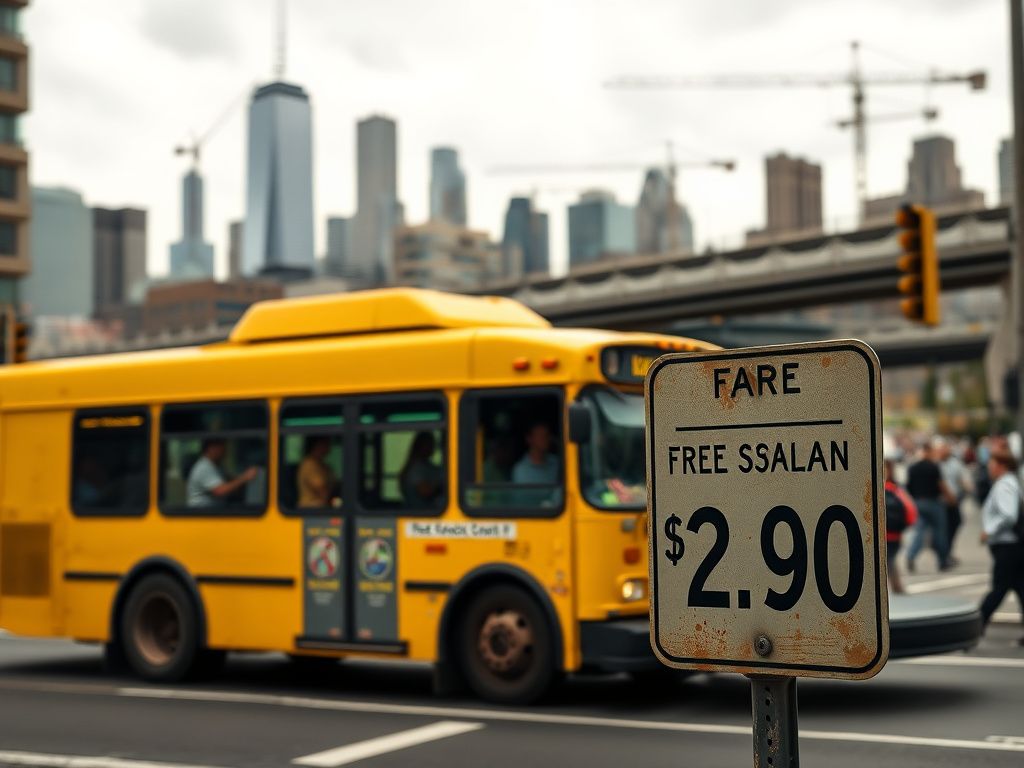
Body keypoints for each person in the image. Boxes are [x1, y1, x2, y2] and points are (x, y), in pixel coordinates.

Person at [978, 443, 1024, 644]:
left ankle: (974, 627)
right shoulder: (1010, 482)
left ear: (1001, 465)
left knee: (999, 588)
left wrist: (989, 531)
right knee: (1020, 587)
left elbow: (1008, 514)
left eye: (991, 463)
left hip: (1007, 546)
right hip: (1013, 545)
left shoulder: (1004, 485)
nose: (989, 466)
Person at [905, 442, 957, 572]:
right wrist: (951, 498)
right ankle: (942, 561)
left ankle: (911, 555)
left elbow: (908, 487)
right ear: (929, 451)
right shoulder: (934, 467)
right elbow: (941, 485)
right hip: (934, 503)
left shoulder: (913, 467)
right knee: (940, 533)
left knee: (919, 532)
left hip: (917, 503)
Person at [186, 438, 259, 508]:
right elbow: (220, 491)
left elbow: (230, 480)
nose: (225, 450)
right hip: (202, 514)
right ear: (211, 448)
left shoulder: (216, 465)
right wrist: (245, 477)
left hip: (214, 511)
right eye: (222, 447)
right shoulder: (204, 467)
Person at [884, 458, 917, 594]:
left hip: (887, 533)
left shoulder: (885, 490)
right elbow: (910, 511)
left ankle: (897, 586)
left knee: (889, 559)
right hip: (895, 533)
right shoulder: (895, 489)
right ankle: (897, 586)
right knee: (890, 559)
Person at [937, 438, 972, 566]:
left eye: (945, 449)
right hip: (940, 502)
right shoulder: (936, 464)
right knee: (942, 529)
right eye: (941, 449)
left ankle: (947, 552)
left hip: (954, 501)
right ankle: (944, 555)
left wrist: (967, 488)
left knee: (955, 524)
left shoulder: (956, 464)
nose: (943, 452)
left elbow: (964, 480)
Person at [511, 421, 561, 506]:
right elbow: (521, 502)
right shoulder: (520, 470)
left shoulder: (557, 464)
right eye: (541, 436)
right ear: (529, 439)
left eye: (547, 435)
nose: (546, 439)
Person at [399, 431, 444, 506]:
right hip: (419, 511)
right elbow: (425, 492)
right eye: (429, 444)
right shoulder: (416, 468)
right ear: (420, 446)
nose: (433, 447)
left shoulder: (428, 465)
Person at [297, 436, 336, 508]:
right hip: (312, 509)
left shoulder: (322, 465)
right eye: (326, 443)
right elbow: (323, 491)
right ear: (318, 445)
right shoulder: (310, 464)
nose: (329, 447)